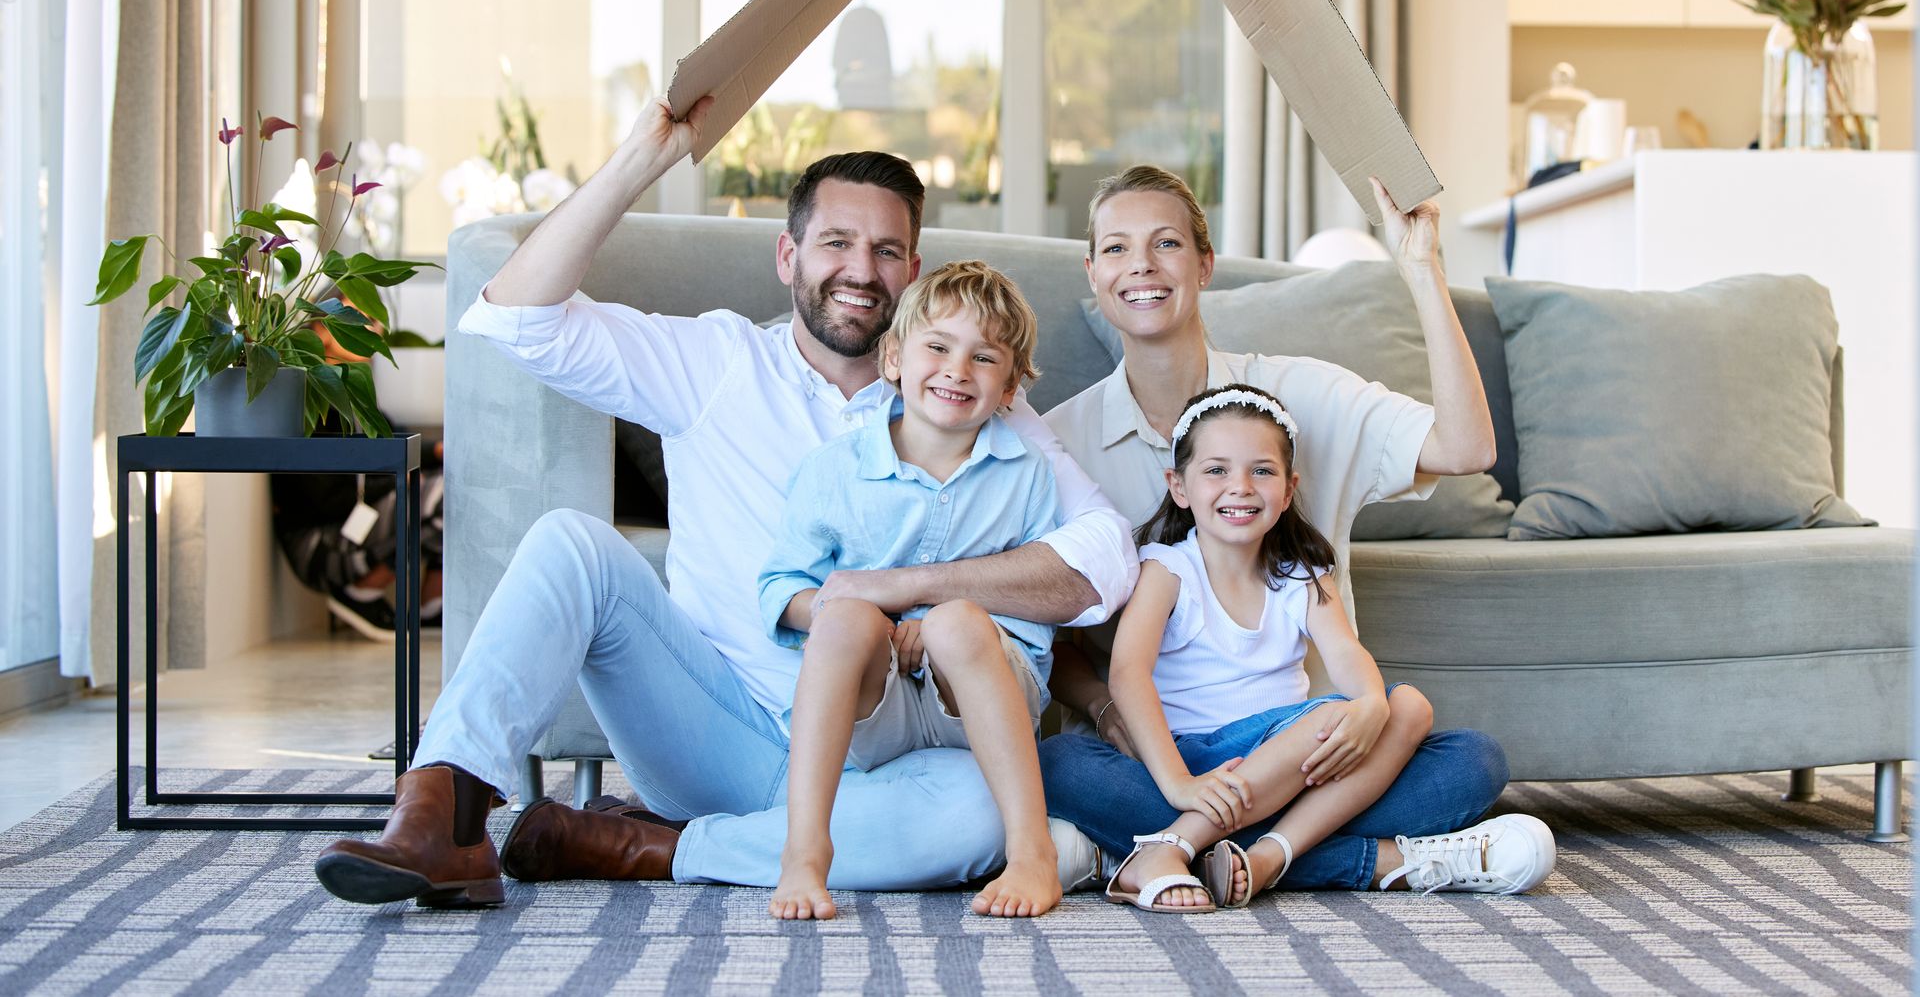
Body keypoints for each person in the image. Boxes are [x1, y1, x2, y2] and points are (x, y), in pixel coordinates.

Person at [313, 97, 1134, 909]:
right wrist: (644, 155)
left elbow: (1107, 553)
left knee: (983, 815)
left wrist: (917, 585)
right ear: (788, 255)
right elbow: (518, 320)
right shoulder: (715, 360)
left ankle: (650, 845)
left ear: (912, 272)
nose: (860, 269)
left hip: (893, 753)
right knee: (572, 545)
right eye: (836, 242)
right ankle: (441, 815)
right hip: (719, 728)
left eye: (887, 250)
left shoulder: (972, 399)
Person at [1041, 164, 1555, 894]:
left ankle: (1138, 850)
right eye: (1118, 249)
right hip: (1163, 760)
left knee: (1472, 761)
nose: (1143, 267)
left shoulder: (1300, 395)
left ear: (1206, 263)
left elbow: (1467, 449)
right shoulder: (1058, 441)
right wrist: (1103, 709)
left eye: (1166, 244)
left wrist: (1422, 270)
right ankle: (1372, 860)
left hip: (1317, 750)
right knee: (1058, 764)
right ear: (1092, 272)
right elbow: (1046, 639)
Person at [1089, 385, 1549, 911]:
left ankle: (1238, 853)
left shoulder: (1302, 577)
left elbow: (1348, 656)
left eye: (1261, 471)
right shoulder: (1167, 569)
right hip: (1196, 766)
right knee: (1062, 765)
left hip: (1301, 766)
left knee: (1444, 736)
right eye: (1216, 470)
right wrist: (1178, 785)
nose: (1240, 487)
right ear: (1179, 486)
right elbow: (1127, 673)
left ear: (1288, 491)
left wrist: (1372, 705)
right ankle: (1328, 855)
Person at [760, 262, 1062, 921]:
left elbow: (1038, 617)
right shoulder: (835, 469)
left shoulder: (1026, 474)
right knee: (841, 619)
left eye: (984, 357)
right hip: (880, 700)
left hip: (980, 695)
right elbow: (780, 591)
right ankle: (805, 851)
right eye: (938, 346)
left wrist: (950, 619)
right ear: (893, 357)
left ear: (1010, 386)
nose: (957, 369)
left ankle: (1032, 851)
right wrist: (867, 611)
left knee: (957, 620)